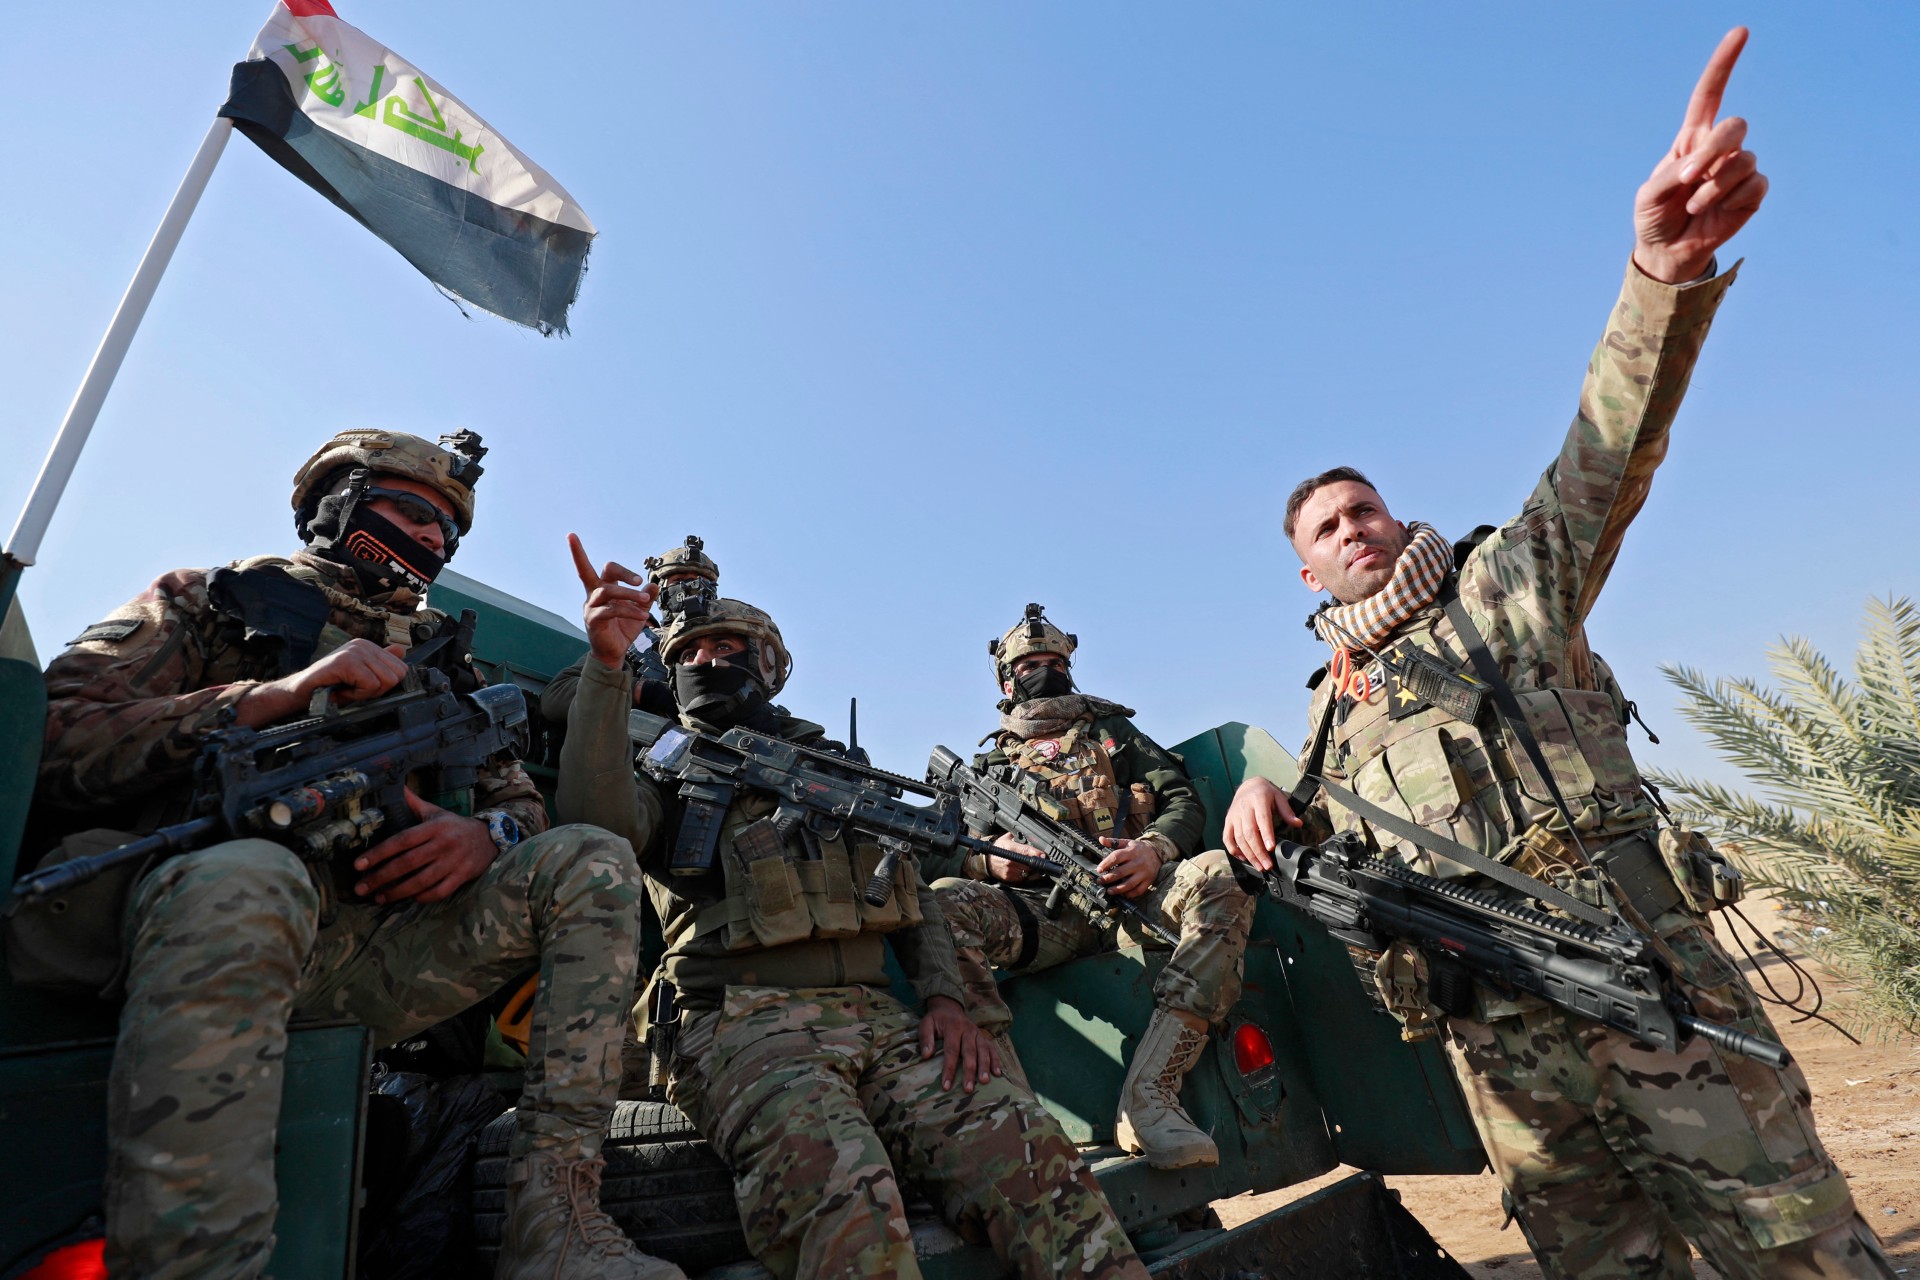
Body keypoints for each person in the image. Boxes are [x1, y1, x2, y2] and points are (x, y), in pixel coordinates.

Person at [1221, 31, 1893, 1280]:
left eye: (1365, 507)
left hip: (1653, 1005)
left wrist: (1659, 277)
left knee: (1797, 1254)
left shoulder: (1502, 588)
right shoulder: (1325, 717)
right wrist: (1270, 800)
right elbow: (1338, 860)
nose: (1356, 528)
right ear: (1304, 572)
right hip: (1511, 1073)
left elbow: (1606, 448)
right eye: (1326, 527)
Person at [31, 430, 683, 1280]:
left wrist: (488, 838)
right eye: (412, 512)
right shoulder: (213, 601)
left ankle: (553, 1228)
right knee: (252, 878)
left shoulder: (441, 666)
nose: (431, 542)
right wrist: (274, 698)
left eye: (447, 532)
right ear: (338, 500)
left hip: (354, 955)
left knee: (592, 858)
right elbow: (57, 734)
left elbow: (521, 803)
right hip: (173, 926)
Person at [558, 539, 1149, 1280]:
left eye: (727, 647)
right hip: (739, 1020)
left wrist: (943, 996)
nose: (707, 662)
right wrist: (606, 670)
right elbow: (593, 820)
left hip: (882, 1014)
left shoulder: (834, 767)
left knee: (1042, 1167)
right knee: (850, 1214)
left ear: (767, 665)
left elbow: (908, 891)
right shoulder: (663, 762)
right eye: (691, 653)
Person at [926, 605, 1255, 1170]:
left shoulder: (1112, 733)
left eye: (1055, 662)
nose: (1045, 672)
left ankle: (1151, 1096)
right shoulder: (990, 769)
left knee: (1225, 877)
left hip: (1132, 896)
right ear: (1008, 681)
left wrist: (1152, 851)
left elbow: (1180, 798)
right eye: (1031, 664)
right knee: (945, 900)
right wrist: (993, 864)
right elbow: (944, 844)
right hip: (1048, 917)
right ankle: (1015, 1113)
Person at [540, 534, 719, 727]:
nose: (693, 586)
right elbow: (555, 699)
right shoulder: (634, 640)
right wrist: (643, 691)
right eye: (679, 580)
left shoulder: (736, 642)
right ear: (660, 591)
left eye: (702, 581)